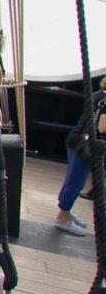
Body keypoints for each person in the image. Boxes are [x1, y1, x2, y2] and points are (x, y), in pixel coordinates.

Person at [55, 77, 106, 235]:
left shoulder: (99, 95)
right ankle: (63, 218)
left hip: (76, 140)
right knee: (77, 182)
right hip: (85, 147)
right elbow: (102, 128)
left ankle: (66, 210)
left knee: (72, 179)